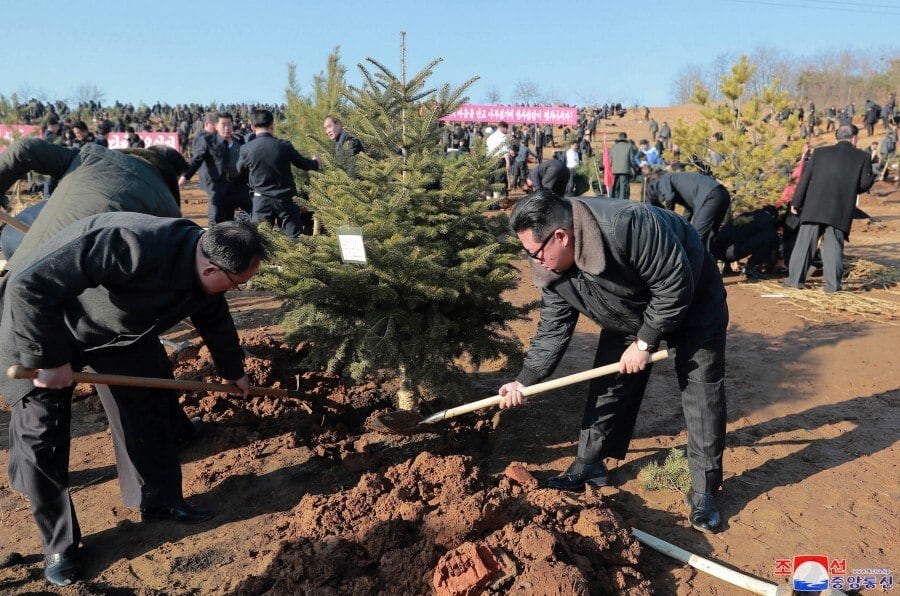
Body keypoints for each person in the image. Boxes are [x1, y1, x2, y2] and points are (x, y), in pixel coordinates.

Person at [0, 213, 268, 586]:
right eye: (237, 285)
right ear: (210, 268)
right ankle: (59, 546)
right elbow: (29, 287)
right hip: (40, 323)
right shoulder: (129, 244)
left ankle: (158, 499)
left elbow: (214, 314)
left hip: (118, 330)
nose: (235, 290)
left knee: (149, 400)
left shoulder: (205, 267)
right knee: (41, 434)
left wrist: (231, 369)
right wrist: (47, 360)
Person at [499, 191, 728, 534]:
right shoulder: (551, 264)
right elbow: (553, 327)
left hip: (692, 296)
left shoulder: (628, 225)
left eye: (534, 252)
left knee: (701, 390)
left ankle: (705, 491)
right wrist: (525, 379)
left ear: (561, 236)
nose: (534, 261)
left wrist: (645, 340)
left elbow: (674, 286)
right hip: (627, 307)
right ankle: (589, 464)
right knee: (609, 382)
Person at [0, 138, 187, 274]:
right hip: (85, 300)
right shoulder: (169, 209)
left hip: (23, 270)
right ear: (172, 174)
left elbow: (24, 148)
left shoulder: (90, 156)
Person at [785, 124, 875, 292]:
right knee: (833, 245)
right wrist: (851, 186)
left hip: (814, 206)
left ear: (837, 136)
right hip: (840, 208)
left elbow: (804, 180)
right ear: (854, 138)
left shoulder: (819, 153)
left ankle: (795, 281)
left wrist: (796, 203)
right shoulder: (862, 156)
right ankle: (832, 286)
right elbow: (865, 183)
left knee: (805, 243)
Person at [236, 109, 319, 237]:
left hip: (261, 199)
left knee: (259, 238)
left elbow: (239, 171)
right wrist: (316, 162)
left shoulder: (246, 149)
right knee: (294, 238)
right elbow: (303, 164)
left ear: (252, 126)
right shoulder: (284, 146)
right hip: (285, 199)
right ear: (272, 125)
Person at [179, 112, 250, 224]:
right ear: (216, 126)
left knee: (251, 212)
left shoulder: (240, 141)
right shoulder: (207, 141)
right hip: (217, 186)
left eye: (229, 125)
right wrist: (185, 176)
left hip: (238, 186)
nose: (227, 128)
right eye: (223, 125)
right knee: (216, 218)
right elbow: (197, 159)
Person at [645, 170, 731, 251]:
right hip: (723, 194)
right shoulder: (678, 180)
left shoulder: (663, 179)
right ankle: (711, 264)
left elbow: (669, 198)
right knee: (711, 237)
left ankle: (694, 265)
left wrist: (669, 219)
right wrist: (683, 225)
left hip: (710, 196)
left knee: (697, 237)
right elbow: (689, 209)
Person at [609, 132, 635, 200]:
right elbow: (631, 160)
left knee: (612, 186)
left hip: (614, 169)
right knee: (623, 187)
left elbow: (610, 160)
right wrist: (634, 168)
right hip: (625, 170)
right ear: (626, 137)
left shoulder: (613, 147)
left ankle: (610, 199)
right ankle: (622, 201)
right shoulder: (629, 146)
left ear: (619, 137)